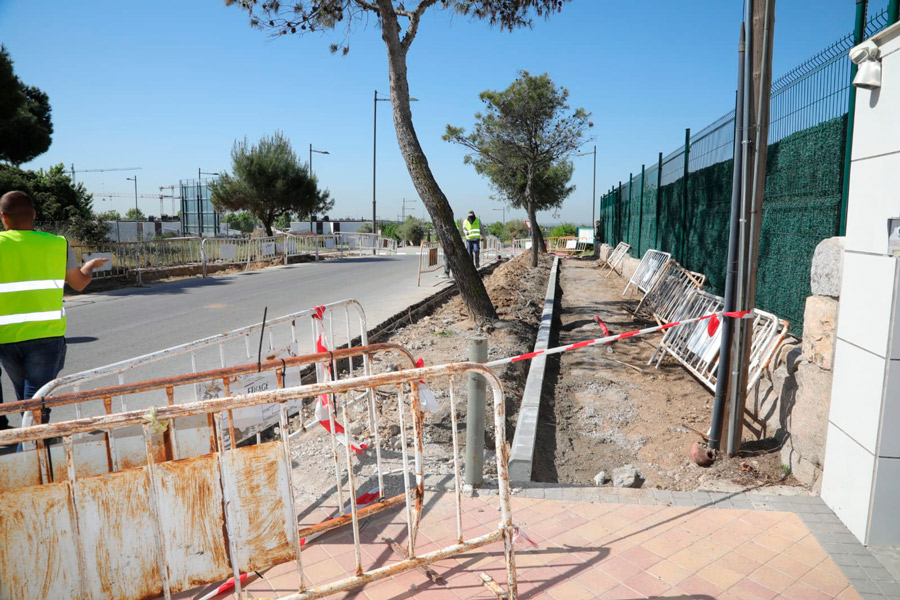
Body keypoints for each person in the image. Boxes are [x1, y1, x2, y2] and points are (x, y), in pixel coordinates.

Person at [0, 191, 108, 436]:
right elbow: (78, 284)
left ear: (3, 217)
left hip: (5, 337)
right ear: (34, 215)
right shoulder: (57, 243)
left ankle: (31, 445)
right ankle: (32, 449)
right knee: (36, 401)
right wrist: (89, 267)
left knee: (26, 401)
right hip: (46, 335)